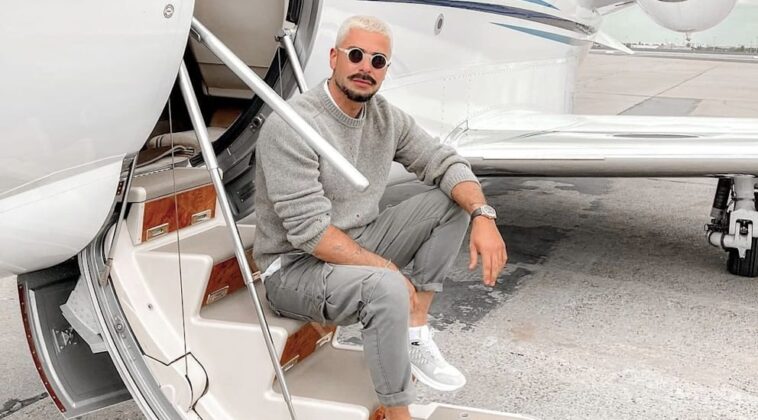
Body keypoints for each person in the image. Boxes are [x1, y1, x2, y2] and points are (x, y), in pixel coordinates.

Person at [253, 15, 507, 420]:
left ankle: (415, 329)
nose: (365, 68)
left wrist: (483, 214)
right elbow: (310, 233)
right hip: (293, 268)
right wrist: (386, 269)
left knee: (450, 203)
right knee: (386, 286)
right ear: (333, 58)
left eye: (377, 61)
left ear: (385, 70)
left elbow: (443, 161)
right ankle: (397, 412)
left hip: (356, 239)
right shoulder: (293, 125)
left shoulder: (385, 118)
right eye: (355, 55)